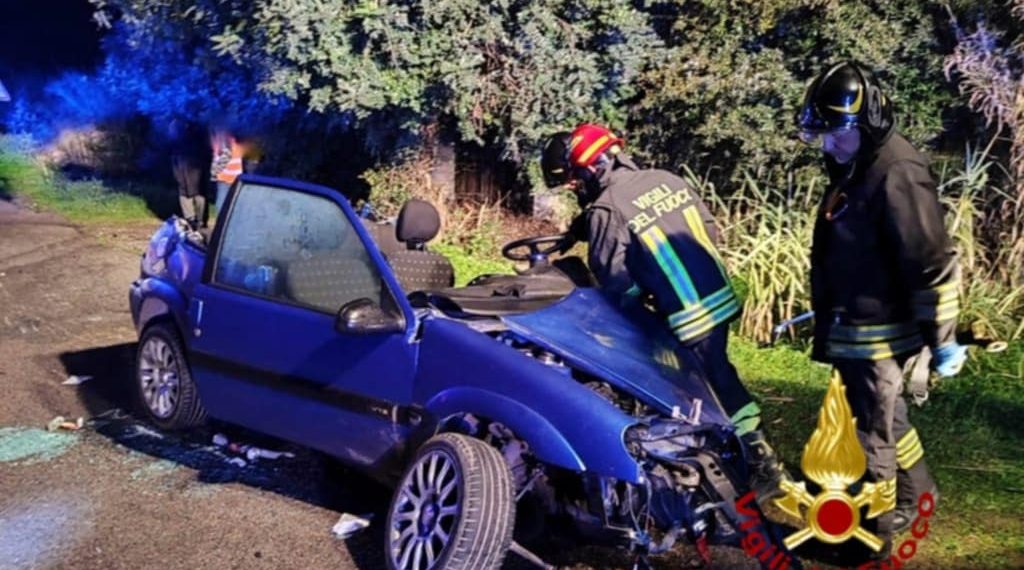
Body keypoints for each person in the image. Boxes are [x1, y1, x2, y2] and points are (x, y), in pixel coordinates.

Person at [541, 125, 788, 499]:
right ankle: (744, 449)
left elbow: (616, 282)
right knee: (717, 372)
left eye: (576, 183)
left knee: (691, 381)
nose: (577, 190)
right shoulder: (666, 180)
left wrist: (626, 309)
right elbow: (707, 228)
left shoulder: (608, 208)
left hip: (685, 313)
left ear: (592, 170)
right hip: (717, 294)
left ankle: (756, 462)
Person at [796, 61, 966, 540]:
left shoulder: (897, 172)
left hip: (878, 335)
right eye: (823, 135)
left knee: (870, 436)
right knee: (888, 420)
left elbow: (930, 260)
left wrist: (943, 339)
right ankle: (918, 494)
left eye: (838, 134)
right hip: (856, 326)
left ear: (869, 121)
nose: (829, 145)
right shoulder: (857, 163)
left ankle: (875, 534)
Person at [168, 118, 208, 228]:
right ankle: (190, 219)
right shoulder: (176, 124)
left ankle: (200, 220)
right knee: (184, 190)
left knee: (197, 191)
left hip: (194, 161)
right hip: (181, 159)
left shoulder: (196, 126)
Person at [210, 129, 243, 213]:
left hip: (225, 178)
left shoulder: (221, 142)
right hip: (235, 177)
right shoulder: (236, 141)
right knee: (233, 202)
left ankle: (219, 222)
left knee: (221, 202)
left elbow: (217, 164)